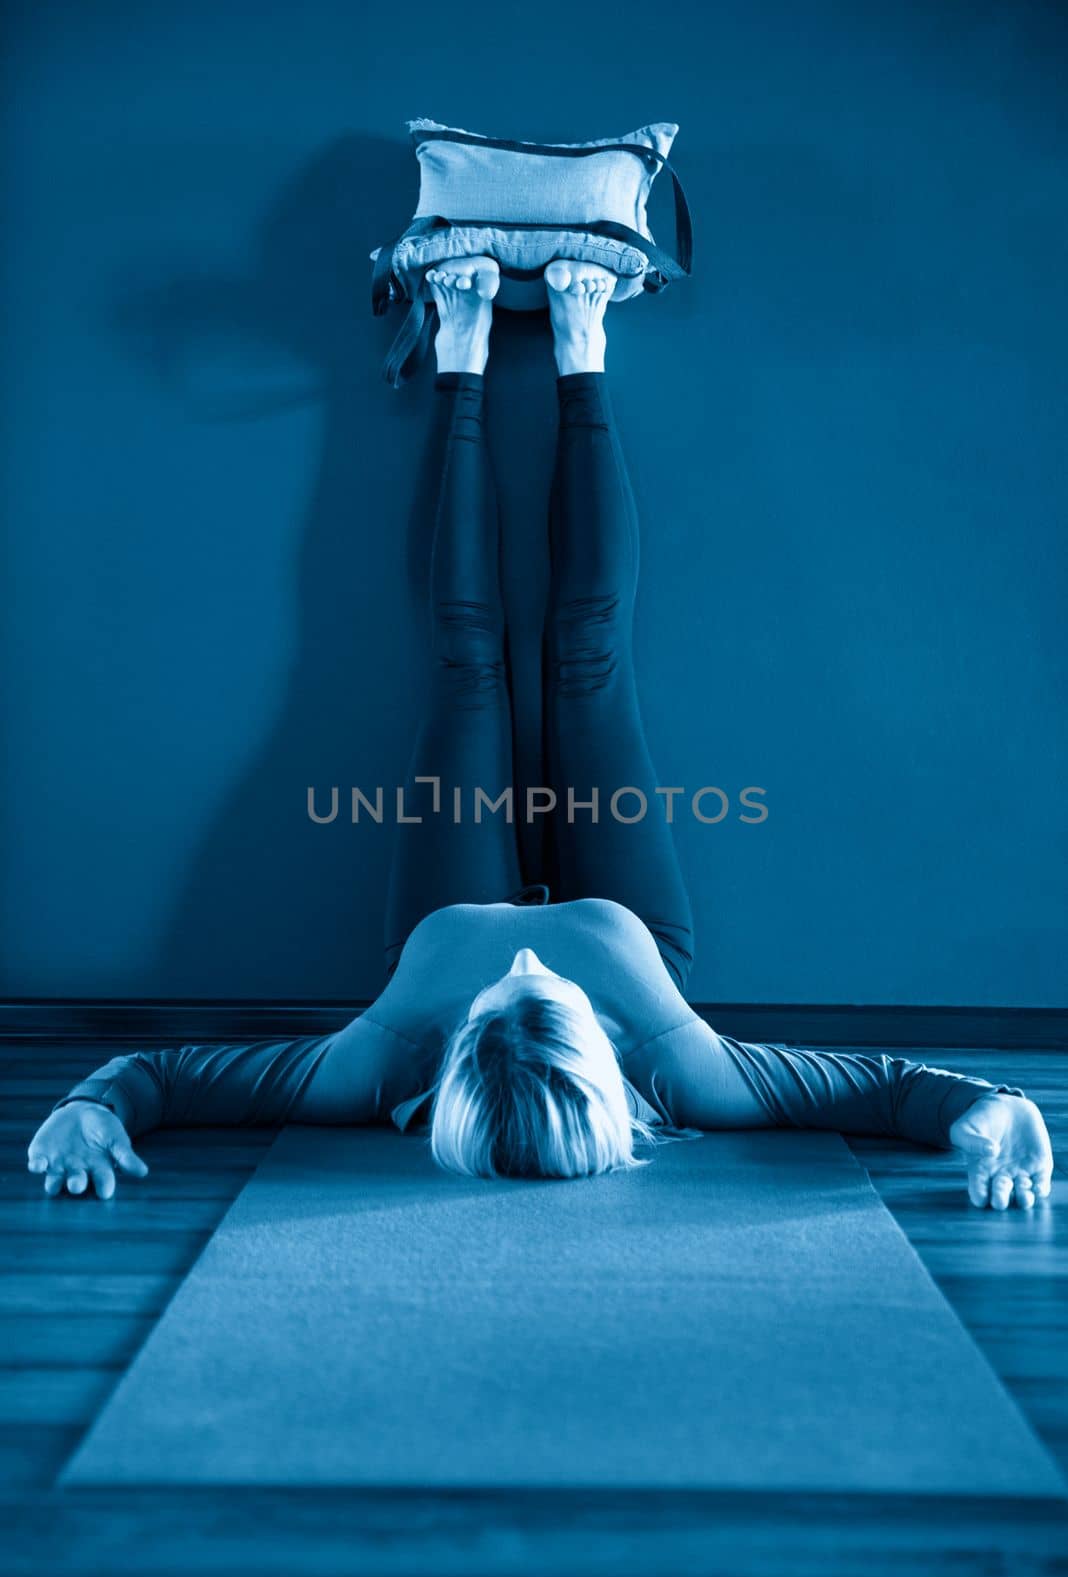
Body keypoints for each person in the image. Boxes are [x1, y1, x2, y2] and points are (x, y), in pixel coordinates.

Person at [27, 258, 1053, 1207]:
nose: (521, 959)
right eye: (544, 987)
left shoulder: (377, 1059)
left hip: (443, 915)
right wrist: (990, 1106)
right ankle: (582, 349)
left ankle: (462, 358)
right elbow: (879, 1087)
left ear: (448, 1052)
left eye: (498, 992)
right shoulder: (684, 1065)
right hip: (633, 928)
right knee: (588, 657)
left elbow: (168, 1075)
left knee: (470, 661)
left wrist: (88, 1106)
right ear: (614, 1056)